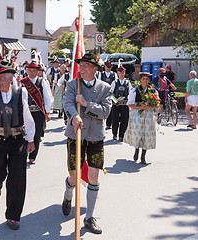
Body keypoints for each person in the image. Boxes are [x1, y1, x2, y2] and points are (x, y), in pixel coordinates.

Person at [0, 60, 35, 230]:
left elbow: (27, 117)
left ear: (10, 79)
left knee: (17, 179)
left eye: (1, 78)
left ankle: (13, 215)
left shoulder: (21, 93)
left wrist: (31, 139)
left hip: (17, 141)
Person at [62, 53, 112, 234]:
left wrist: (86, 103)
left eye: (85, 65)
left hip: (96, 137)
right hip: (75, 136)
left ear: (94, 69)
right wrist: (75, 115)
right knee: (74, 177)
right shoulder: (72, 85)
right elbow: (67, 103)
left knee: (94, 177)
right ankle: (68, 195)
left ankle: (89, 217)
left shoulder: (105, 88)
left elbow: (105, 112)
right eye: (80, 65)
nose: (80, 68)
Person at [20, 60, 53, 165]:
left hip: (38, 112)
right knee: (25, 133)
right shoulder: (23, 82)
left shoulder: (42, 82)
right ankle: (24, 153)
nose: (32, 73)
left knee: (37, 134)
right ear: (27, 70)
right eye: (30, 70)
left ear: (37, 71)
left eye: (34, 70)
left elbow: (47, 98)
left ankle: (33, 156)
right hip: (26, 112)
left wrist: (47, 112)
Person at [124, 72, 158, 164]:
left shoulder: (153, 91)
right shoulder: (135, 90)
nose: (145, 80)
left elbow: (156, 104)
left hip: (148, 115)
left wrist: (151, 106)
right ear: (140, 80)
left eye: (147, 79)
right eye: (143, 79)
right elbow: (129, 104)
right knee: (138, 132)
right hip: (137, 114)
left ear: (149, 80)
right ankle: (136, 149)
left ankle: (143, 156)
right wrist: (140, 107)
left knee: (146, 134)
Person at [110, 66, 132, 141]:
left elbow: (131, 93)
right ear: (117, 73)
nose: (121, 74)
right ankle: (114, 134)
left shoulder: (128, 83)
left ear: (124, 73)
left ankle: (122, 135)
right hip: (116, 104)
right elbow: (110, 93)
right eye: (120, 72)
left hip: (125, 104)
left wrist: (128, 98)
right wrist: (115, 100)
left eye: (123, 72)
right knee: (115, 120)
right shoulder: (114, 82)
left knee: (124, 120)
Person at [98, 61, 117, 129]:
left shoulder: (114, 74)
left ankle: (109, 123)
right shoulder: (101, 74)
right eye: (107, 67)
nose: (108, 68)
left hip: (111, 94)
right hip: (103, 93)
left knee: (110, 108)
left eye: (109, 67)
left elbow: (116, 83)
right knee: (101, 108)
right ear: (105, 67)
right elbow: (99, 83)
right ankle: (101, 121)